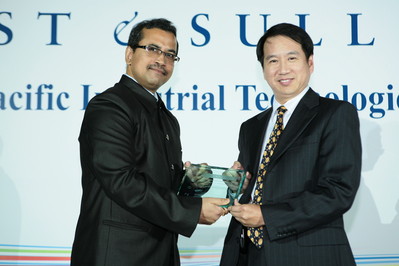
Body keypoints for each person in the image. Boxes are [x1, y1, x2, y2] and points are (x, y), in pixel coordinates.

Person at [70, 18, 229, 266]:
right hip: (117, 254)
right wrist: (192, 211)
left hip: (160, 252)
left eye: (170, 54)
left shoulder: (166, 118)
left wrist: (199, 182)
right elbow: (122, 181)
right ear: (129, 54)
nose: (161, 59)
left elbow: (160, 181)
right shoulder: (110, 106)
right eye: (153, 49)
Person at [220, 23, 362, 266]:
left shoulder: (335, 114)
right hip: (247, 254)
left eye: (292, 58)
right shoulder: (251, 126)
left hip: (308, 255)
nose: (282, 69)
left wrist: (267, 216)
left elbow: (338, 192)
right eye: (272, 60)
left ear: (310, 63)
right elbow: (254, 185)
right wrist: (233, 184)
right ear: (263, 69)